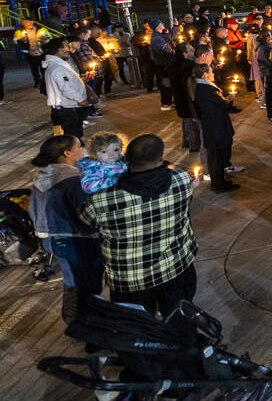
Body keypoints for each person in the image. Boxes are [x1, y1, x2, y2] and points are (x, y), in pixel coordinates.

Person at [81, 134, 198, 318]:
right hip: (175, 266)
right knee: (179, 318)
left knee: (138, 326)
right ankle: (184, 343)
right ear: (160, 158)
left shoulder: (101, 199)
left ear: (125, 158)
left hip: (130, 278)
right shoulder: (180, 179)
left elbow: (86, 220)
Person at [29, 134, 102, 321]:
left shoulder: (45, 174)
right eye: (79, 147)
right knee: (83, 283)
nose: (83, 150)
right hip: (74, 238)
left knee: (74, 281)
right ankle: (80, 324)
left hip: (52, 237)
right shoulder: (71, 180)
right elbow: (88, 213)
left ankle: (78, 320)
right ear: (67, 152)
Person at [193, 63, 240, 193]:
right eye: (211, 72)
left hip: (213, 123)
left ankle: (219, 182)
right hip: (216, 125)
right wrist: (229, 99)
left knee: (215, 155)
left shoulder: (202, 87)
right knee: (218, 156)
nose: (213, 73)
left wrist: (225, 99)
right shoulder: (206, 89)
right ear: (205, 75)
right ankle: (219, 184)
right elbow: (222, 105)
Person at [42, 37, 90, 139]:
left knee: (71, 135)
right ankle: (75, 153)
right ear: (59, 50)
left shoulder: (56, 65)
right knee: (73, 136)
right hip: (68, 108)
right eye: (67, 46)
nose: (70, 49)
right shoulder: (58, 68)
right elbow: (67, 88)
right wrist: (81, 99)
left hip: (66, 107)